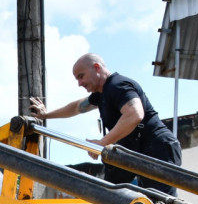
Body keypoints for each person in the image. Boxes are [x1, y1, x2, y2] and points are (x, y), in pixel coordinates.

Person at [30, 53, 182, 196]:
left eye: (81, 76)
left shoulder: (118, 85)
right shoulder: (101, 95)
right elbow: (77, 107)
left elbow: (135, 114)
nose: (79, 83)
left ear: (97, 67)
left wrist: (103, 143)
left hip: (157, 148)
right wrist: (46, 115)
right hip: (136, 150)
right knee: (109, 195)